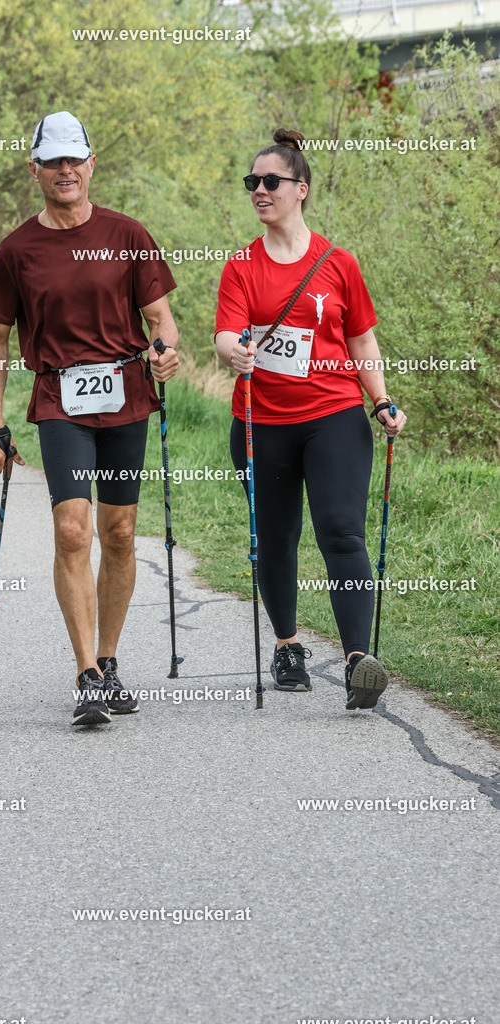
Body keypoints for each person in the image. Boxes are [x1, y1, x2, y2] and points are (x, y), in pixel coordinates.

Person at [0, 111, 179, 727]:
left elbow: (162, 320)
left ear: (91, 164)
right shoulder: (17, 249)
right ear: (34, 168)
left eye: (75, 160)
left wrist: (167, 351)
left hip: (126, 395)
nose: (66, 171)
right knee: (73, 530)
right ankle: (86, 672)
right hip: (60, 398)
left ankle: (111, 661)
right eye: (53, 161)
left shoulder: (128, 234)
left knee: (119, 535)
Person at [215, 128, 407, 710]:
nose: (259, 190)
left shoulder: (338, 262)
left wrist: (380, 401)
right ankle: (287, 644)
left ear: (301, 189)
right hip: (261, 420)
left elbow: (361, 340)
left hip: (335, 415)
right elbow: (225, 335)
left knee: (342, 532)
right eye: (252, 182)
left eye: (270, 181)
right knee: (277, 538)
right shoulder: (241, 266)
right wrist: (235, 352)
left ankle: (356, 662)